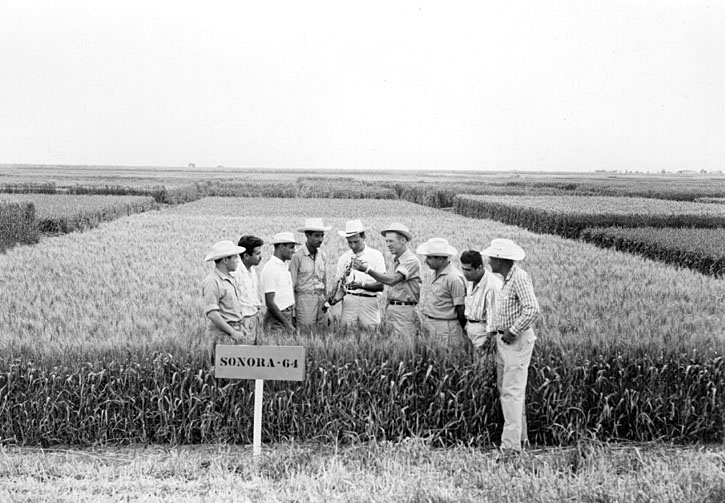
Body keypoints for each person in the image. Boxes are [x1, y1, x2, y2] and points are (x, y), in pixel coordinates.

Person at [483, 238, 540, 452]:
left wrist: (513, 331)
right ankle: (521, 439)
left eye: (491, 257)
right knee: (507, 390)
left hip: (516, 341)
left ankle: (510, 448)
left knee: (511, 392)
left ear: (500, 259)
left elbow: (532, 309)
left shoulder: (519, 277)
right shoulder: (507, 278)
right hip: (505, 341)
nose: (488, 260)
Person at [352, 222, 421, 337]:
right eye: (386, 241)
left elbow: (392, 280)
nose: (388, 244)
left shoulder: (411, 261)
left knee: (403, 346)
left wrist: (367, 270)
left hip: (404, 312)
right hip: (393, 310)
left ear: (403, 240)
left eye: (391, 241)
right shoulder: (396, 261)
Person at [416, 237, 469, 352]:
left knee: (446, 359)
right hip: (432, 325)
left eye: (429, 258)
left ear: (440, 259)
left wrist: (464, 331)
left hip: (446, 328)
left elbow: (460, 308)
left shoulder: (453, 278)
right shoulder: (434, 274)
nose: (425, 261)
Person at [201, 240, 249, 362]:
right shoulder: (212, 282)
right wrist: (232, 332)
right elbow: (212, 314)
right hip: (221, 336)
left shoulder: (230, 279)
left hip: (233, 333)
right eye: (235, 257)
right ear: (225, 260)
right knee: (221, 373)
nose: (238, 260)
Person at [332, 219, 385, 329]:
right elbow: (341, 286)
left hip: (369, 302)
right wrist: (334, 299)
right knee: (346, 334)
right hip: (349, 302)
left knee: (372, 336)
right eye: (350, 242)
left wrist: (361, 285)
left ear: (363, 237)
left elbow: (381, 286)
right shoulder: (344, 258)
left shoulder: (376, 256)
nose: (353, 246)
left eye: (356, 241)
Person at [290, 218, 330, 330]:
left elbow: (324, 281)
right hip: (304, 300)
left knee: (322, 333)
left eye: (322, 235)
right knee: (306, 332)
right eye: (317, 236)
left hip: (321, 299)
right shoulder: (297, 257)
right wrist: (293, 311)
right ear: (307, 235)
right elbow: (291, 285)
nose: (320, 239)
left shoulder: (323, 255)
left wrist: (326, 302)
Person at [460, 249, 502, 355]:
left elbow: (494, 321)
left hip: (483, 334)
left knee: (482, 367)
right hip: (470, 331)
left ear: (479, 268)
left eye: (468, 270)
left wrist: (486, 345)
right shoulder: (472, 280)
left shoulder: (492, 286)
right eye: (463, 269)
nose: (464, 273)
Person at [261, 232, 298, 335]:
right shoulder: (271, 268)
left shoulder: (283, 266)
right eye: (291, 247)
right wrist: (286, 324)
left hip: (285, 316)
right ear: (281, 247)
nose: (294, 251)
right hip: (277, 319)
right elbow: (270, 302)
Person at [232, 235, 264, 344]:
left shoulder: (252, 271)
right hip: (241, 321)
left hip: (253, 318)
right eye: (258, 254)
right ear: (246, 255)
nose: (261, 257)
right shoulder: (236, 273)